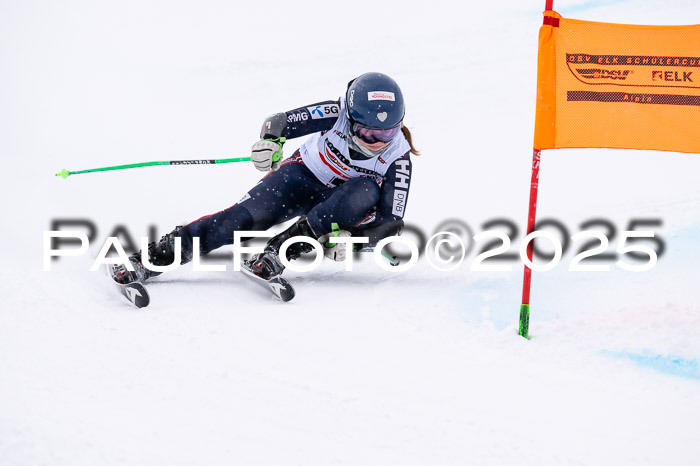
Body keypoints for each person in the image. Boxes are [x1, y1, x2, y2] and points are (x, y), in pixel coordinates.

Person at [111, 72, 419, 286]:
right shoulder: (336, 111)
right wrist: (271, 141)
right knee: (239, 221)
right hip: (303, 176)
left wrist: (354, 241)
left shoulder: (399, 157)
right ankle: (151, 258)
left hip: (339, 208)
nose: (375, 141)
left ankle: (278, 253)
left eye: (386, 132)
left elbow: (391, 224)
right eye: (366, 131)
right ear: (350, 118)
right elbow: (280, 122)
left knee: (365, 189)